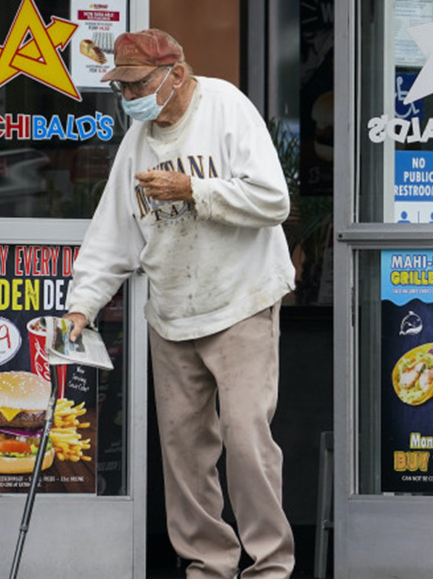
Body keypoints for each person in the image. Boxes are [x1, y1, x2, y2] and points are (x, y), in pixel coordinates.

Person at [62, 28, 296, 579]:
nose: (129, 98)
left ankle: (270, 566)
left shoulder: (227, 108)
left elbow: (274, 200)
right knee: (185, 453)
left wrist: (194, 190)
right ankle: (207, 565)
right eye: (120, 88)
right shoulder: (137, 138)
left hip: (242, 298)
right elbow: (112, 234)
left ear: (177, 75)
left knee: (245, 439)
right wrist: (81, 306)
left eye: (138, 84)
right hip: (172, 311)